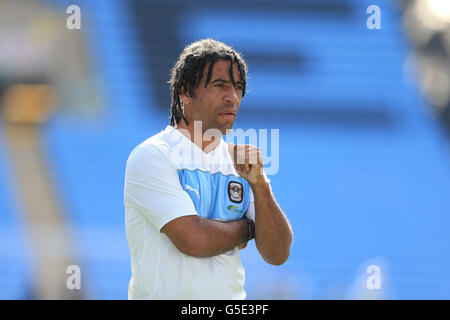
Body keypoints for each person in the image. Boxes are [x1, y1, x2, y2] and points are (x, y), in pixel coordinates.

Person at [124, 38, 293, 299]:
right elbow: (194, 240)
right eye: (220, 85)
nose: (233, 97)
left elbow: (278, 253)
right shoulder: (153, 156)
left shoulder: (240, 163)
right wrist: (248, 229)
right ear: (185, 92)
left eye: (238, 87)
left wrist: (260, 186)